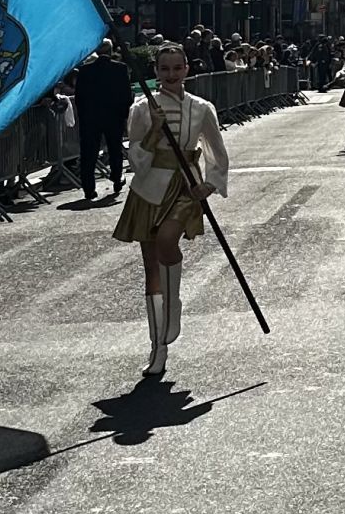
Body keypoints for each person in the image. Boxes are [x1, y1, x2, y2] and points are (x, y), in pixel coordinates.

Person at [112, 41, 229, 378]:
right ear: (156, 73)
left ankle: (174, 304)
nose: (171, 74)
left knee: (167, 241)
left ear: (187, 69)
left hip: (185, 188)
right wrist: (151, 135)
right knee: (151, 268)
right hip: (149, 190)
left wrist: (212, 181)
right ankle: (158, 345)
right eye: (165, 69)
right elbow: (134, 155)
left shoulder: (201, 107)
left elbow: (215, 149)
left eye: (177, 68)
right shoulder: (142, 109)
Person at [74, 40, 134, 200]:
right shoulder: (120, 69)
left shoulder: (85, 71)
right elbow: (126, 95)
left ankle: (88, 187)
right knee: (115, 150)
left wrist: (83, 115)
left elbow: (79, 97)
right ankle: (116, 177)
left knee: (89, 153)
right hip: (113, 117)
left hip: (91, 118)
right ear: (111, 50)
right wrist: (124, 114)